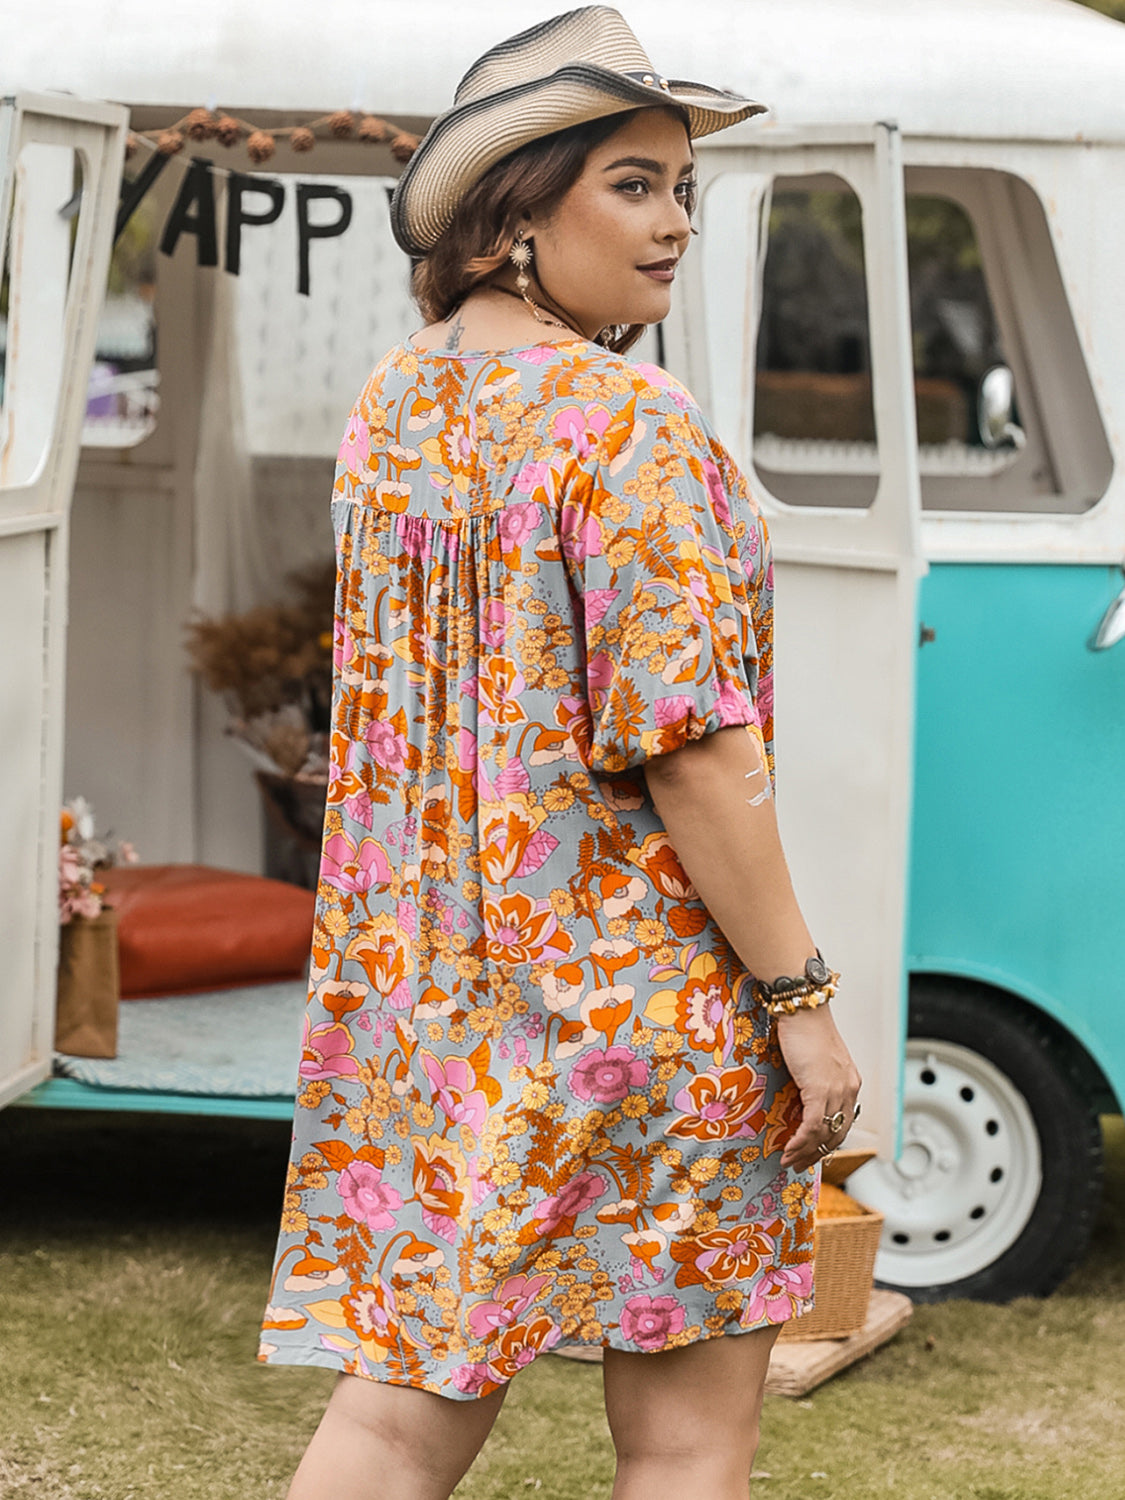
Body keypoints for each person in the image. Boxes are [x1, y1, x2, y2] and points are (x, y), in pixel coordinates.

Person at [260, 8, 861, 1497]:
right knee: (685, 1444)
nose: (675, 224)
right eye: (632, 184)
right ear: (512, 215)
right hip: (639, 1009)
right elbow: (691, 752)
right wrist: (800, 1002)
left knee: (392, 1422)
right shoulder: (630, 426)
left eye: (682, 188)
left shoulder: (395, 404)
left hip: (431, 1000)